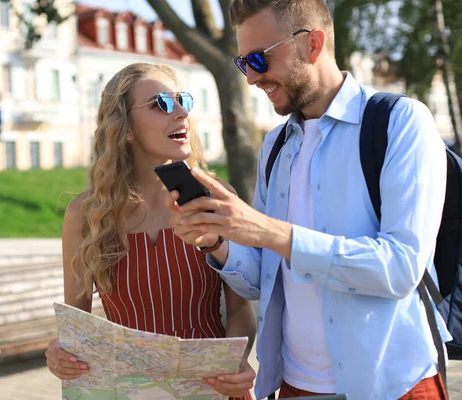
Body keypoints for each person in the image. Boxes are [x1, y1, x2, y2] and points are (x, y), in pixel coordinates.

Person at [164, 1, 451, 399]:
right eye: (242, 62)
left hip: (392, 385)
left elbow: (400, 269)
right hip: (295, 386)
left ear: (313, 44)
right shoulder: (275, 146)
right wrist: (218, 240)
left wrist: (268, 230)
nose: (250, 78)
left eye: (259, 59)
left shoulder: (400, 122)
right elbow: (261, 278)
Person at [45, 62, 257, 399]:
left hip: (213, 390)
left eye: (183, 101)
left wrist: (239, 359)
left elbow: (238, 309)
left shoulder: (219, 197)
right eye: (162, 104)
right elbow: (77, 328)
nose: (180, 114)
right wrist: (60, 352)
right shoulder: (85, 215)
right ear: (126, 127)